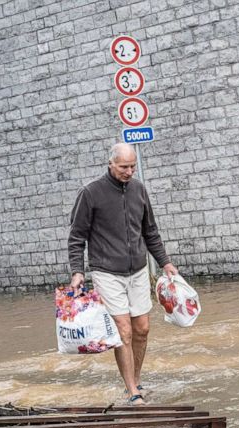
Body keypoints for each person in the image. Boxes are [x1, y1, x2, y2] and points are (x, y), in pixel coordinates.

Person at [68, 143, 178, 406]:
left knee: (142, 328)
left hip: (138, 270)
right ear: (110, 163)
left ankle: (135, 379)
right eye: (123, 167)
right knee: (123, 331)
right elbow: (76, 237)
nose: (129, 171)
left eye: (132, 167)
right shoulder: (91, 193)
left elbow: (150, 230)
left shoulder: (139, 189)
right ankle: (132, 391)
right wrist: (77, 271)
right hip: (107, 272)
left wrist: (165, 263)